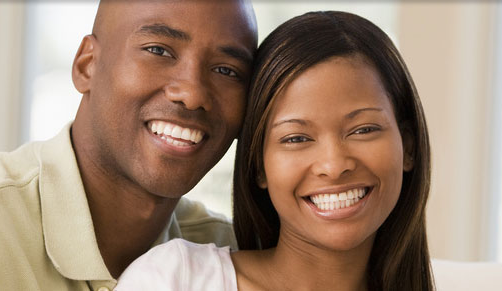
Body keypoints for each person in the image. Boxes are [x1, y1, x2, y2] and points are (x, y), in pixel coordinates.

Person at [0, 0, 257, 290]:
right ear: (87, 66)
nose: (193, 94)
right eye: (159, 50)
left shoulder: (234, 258)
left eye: (227, 71)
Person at [115, 11, 434, 290]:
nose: (334, 165)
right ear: (259, 166)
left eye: (363, 130)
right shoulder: (178, 279)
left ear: (407, 147)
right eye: (296, 138)